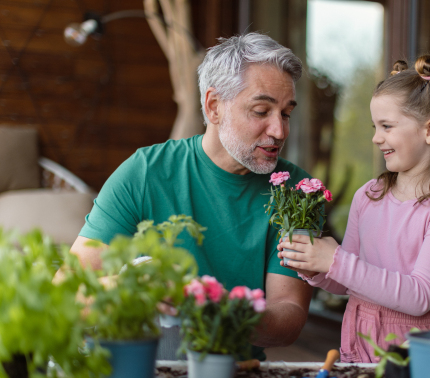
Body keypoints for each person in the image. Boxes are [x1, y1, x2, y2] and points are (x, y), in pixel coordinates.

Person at [68, 33, 314, 361]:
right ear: (214, 106)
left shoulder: (300, 192)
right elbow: (69, 293)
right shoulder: (145, 173)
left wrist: (222, 311)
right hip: (142, 368)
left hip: (236, 372)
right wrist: (127, 290)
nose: (279, 131)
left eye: (285, 113)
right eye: (261, 111)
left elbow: (290, 315)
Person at [278, 55, 430, 363]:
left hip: (416, 353)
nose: (376, 138)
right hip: (356, 343)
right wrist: (315, 268)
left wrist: (334, 259)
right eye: (375, 126)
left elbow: (420, 297)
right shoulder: (368, 195)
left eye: (387, 126)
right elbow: (346, 279)